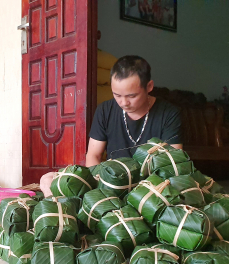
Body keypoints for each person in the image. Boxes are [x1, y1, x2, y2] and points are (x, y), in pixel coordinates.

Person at [40, 55, 182, 196]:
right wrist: (100, 185)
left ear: (149, 86)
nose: (123, 103)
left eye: (131, 96)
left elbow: (172, 163)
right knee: (47, 180)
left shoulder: (169, 113)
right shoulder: (105, 110)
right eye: (117, 95)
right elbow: (94, 155)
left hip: (149, 188)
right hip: (111, 183)